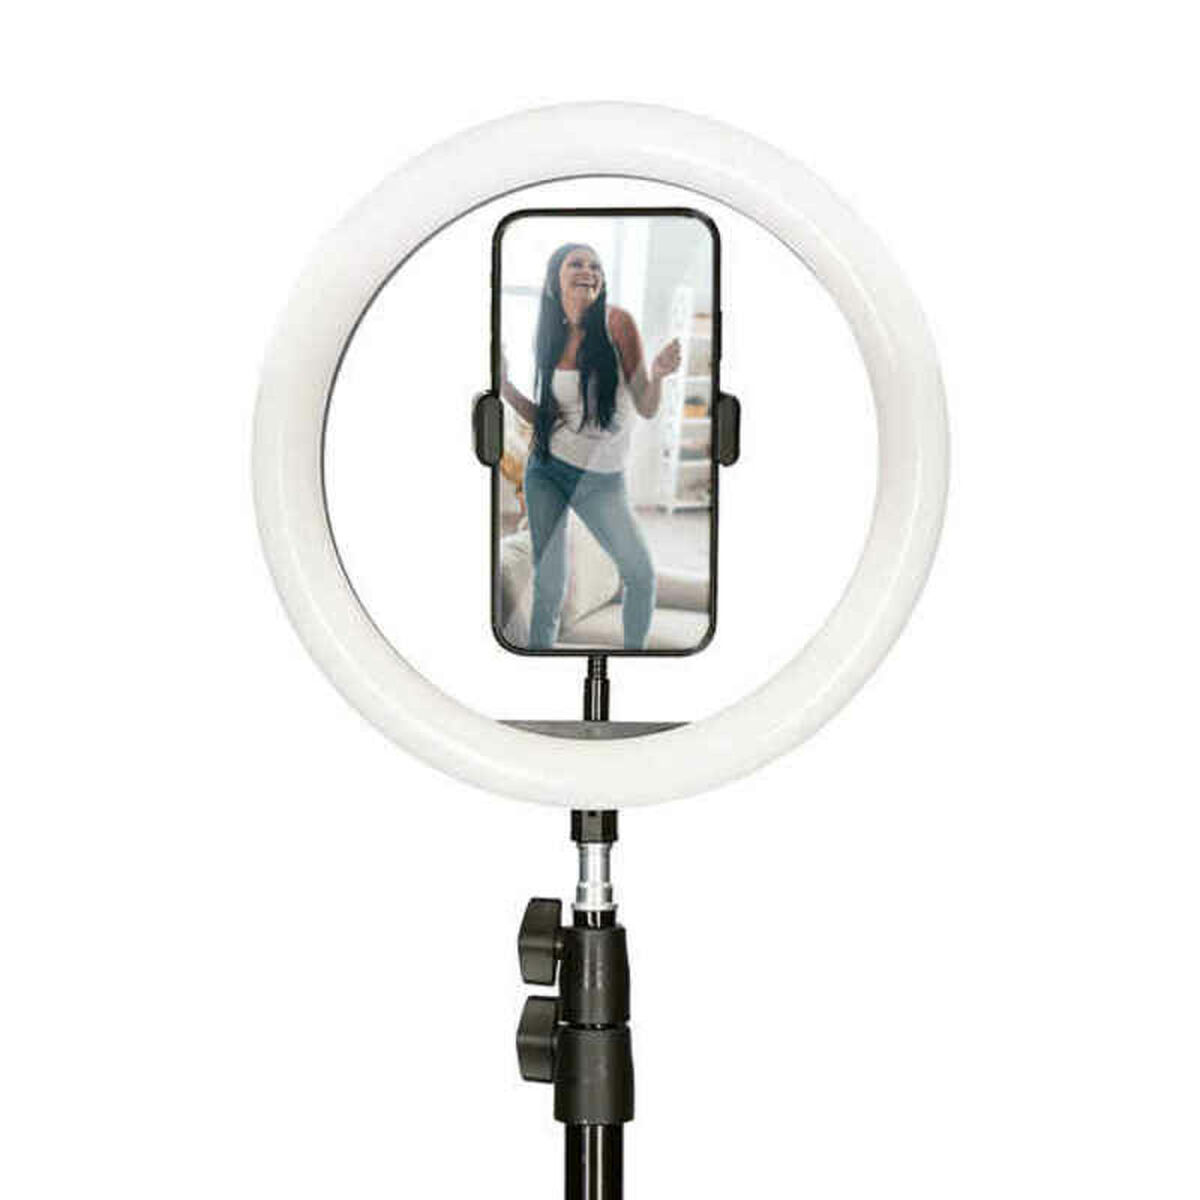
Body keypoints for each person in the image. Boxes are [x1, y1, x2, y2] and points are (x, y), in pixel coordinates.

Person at [500, 242, 681, 650]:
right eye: (577, 264)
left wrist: (657, 375)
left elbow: (646, 406)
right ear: (555, 279)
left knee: (640, 575)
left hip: (602, 481)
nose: (589, 271)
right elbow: (547, 418)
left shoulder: (618, 324)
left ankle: (634, 661)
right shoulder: (549, 334)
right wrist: (506, 386)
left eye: (595, 266)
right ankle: (541, 662)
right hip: (546, 471)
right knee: (550, 584)